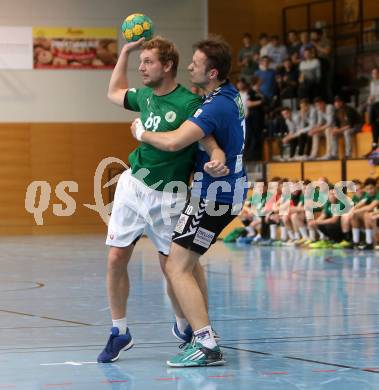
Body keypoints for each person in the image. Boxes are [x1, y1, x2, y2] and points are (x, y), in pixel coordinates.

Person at [97, 36, 226, 363]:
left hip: (168, 196)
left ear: (167, 66)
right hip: (133, 185)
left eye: (147, 61)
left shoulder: (188, 103)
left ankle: (186, 324)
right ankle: (119, 331)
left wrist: (217, 155)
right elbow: (112, 92)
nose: (141, 68)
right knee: (115, 258)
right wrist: (124, 52)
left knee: (173, 266)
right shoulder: (143, 96)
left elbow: (207, 138)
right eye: (139, 62)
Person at [130, 36, 247, 367]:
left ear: (211, 72)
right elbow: (217, 139)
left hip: (215, 196)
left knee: (176, 266)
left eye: (195, 63)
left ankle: (206, 344)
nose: (190, 66)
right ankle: (203, 332)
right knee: (187, 263)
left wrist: (141, 132)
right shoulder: (227, 95)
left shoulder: (215, 105)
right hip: (220, 190)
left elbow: (173, 142)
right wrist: (217, 154)